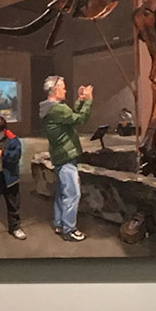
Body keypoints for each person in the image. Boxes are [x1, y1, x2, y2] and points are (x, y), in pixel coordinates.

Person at [39, 75, 96, 242]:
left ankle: (59, 223)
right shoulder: (57, 109)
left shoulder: (51, 108)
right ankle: (69, 229)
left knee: (62, 192)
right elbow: (79, 119)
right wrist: (88, 100)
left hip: (59, 155)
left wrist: (80, 100)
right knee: (72, 194)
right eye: (63, 87)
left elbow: (70, 117)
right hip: (66, 156)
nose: (65, 90)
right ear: (54, 89)